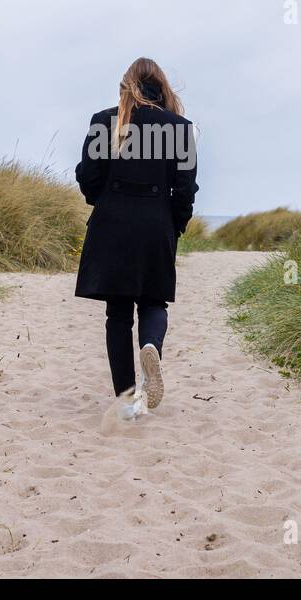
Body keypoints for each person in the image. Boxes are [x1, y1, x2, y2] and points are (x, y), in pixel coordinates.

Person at [74, 57, 198, 416]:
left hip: (112, 224)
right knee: (154, 302)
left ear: (126, 84)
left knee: (117, 314)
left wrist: (106, 201)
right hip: (156, 224)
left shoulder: (104, 122)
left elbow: (88, 177)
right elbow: (186, 189)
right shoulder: (178, 128)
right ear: (162, 87)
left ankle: (127, 403)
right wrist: (174, 226)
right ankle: (150, 346)